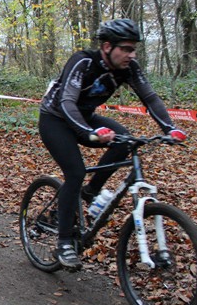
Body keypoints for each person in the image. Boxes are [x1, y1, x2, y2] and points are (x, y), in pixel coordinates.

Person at [39, 18, 187, 271]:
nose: (132, 54)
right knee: (75, 172)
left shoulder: (129, 68)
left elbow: (149, 97)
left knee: (125, 141)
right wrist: (91, 131)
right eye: (126, 49)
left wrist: (169, 128)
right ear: (107, 47)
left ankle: (90, 192)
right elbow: (66, 101)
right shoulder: (83, 61)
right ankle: (64, 242)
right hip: (56, 119)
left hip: (86, 118)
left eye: (134, 49)